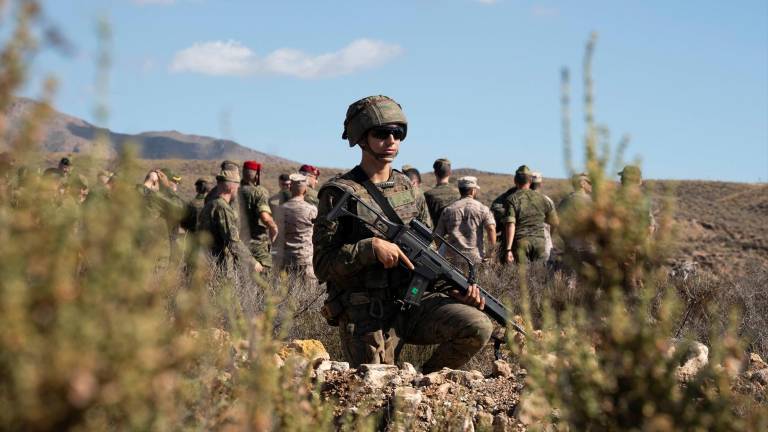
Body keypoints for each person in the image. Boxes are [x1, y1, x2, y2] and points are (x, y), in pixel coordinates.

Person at [313, 95, 492, 372]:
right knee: (375, 395)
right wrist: (369, 248)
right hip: (366, 312)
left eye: (398, 133)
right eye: (382, 133)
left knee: (477, 326)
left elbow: (427, 258)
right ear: (361, 138)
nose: (391, 141)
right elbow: (322, 265)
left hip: (413, 304)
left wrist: (456, 291)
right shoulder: (339, 194)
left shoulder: (409, 189)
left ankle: (425, 384)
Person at [197, 168, 259, 275]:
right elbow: (233, 242)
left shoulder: (209, 205)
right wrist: (253, 262)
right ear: (231, 187)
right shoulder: (222, 208)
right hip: (217, 267)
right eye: (237, 187)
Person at [502, 165, 559, 265]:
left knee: (522, 277)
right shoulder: (543, 199)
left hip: (521, 242)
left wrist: (508, 249)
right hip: (540, 243)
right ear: (530, 181)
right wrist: (549, 235)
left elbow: (510, 224)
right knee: (539, 275)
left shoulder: (512, 199)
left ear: (515, 181)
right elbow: (555, 222)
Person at [434, 176, 496, 266]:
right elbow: (491, 229)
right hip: (476, 258)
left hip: (453, 260)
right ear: (473, 191)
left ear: (460, 190)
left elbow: (438, 236)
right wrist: (490, 254)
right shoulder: (483, 209)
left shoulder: (448, 210)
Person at [275, 173, 318, 280]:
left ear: (290, 189)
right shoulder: (311, 210)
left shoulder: (280, 209)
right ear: (305, 190)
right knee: (309, 295)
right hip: (305, 260)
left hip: (286, 260)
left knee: (286, 294)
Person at [239, 160, 278, 273]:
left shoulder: (235, 191)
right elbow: (265, 217)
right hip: (256, 244)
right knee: (266, 277)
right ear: (257, 175)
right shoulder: (258, 192)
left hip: (238, 243)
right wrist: (273, 226)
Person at [423, 158, 460, 224]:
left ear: (435, 173)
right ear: (450, 173)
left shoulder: (427, 195)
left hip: (434, 233)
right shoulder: (459, 194)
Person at [530, 171, 555, 261]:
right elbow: (555, 222)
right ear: (540, 184)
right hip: (544, 240)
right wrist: (550, 234)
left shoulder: (518, 198)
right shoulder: (547, 200)